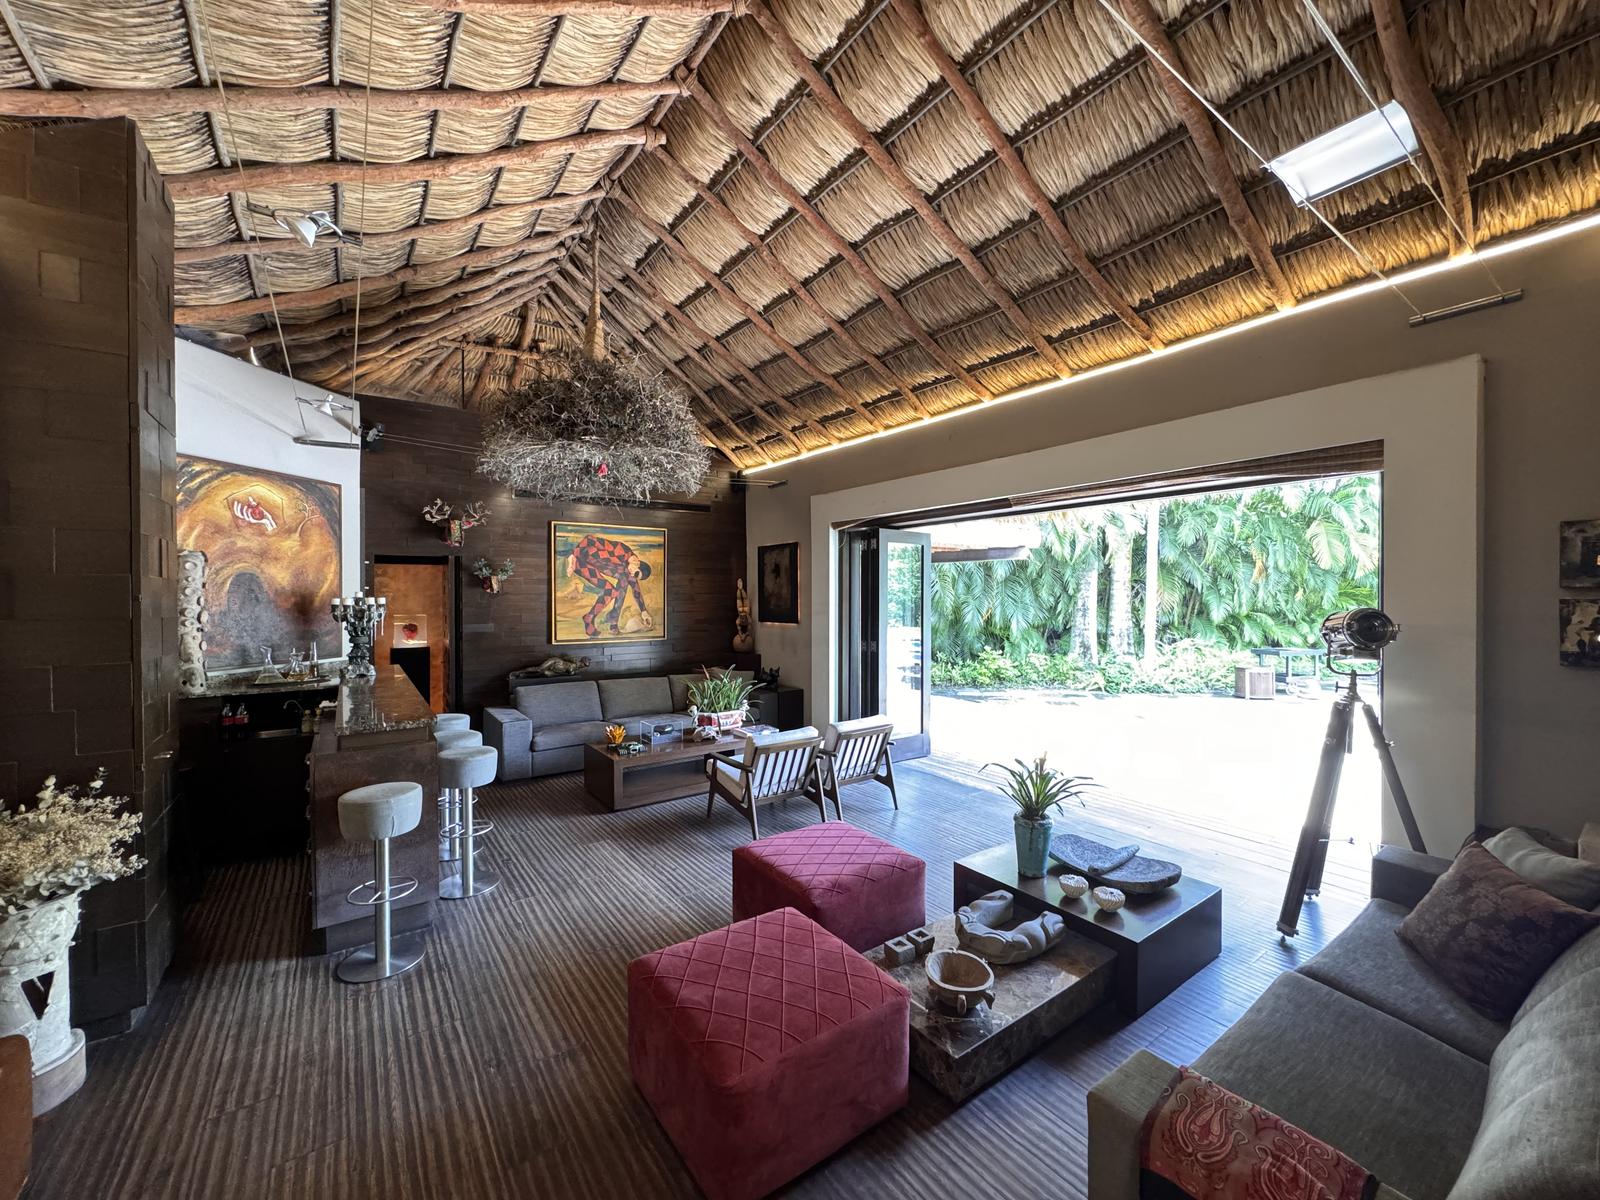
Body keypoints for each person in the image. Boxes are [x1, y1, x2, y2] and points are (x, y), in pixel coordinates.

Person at [566, 533, 655, 638]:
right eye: (636, 573)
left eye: (636, 576)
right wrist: (573, 556)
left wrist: (644, 612)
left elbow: (636, 590)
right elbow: (589, 539)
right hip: (579, 560)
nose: (633, 575)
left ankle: (609, 621)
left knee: (622, 583)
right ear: (637, 563)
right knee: (615, 587)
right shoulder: (621, 550)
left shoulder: (628, 570)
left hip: (590, 566)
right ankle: (595, 620)